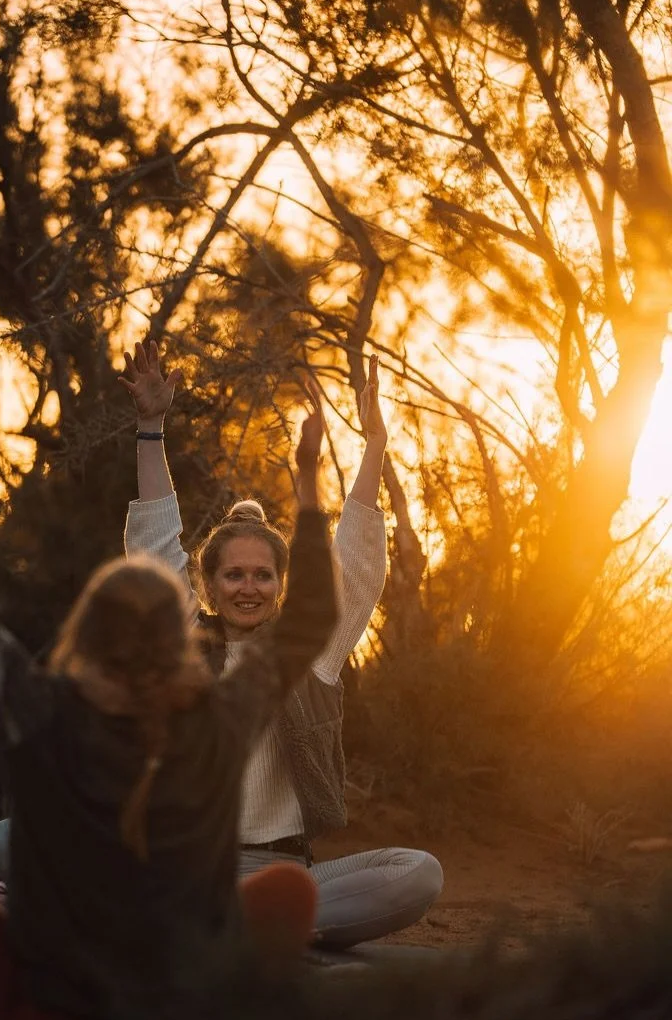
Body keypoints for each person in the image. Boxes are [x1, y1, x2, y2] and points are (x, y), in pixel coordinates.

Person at [0, 367, 340, 1020]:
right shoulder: (218, 716)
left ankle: (27, 1007)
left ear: (85, 631)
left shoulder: (38, 705)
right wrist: (310, 483)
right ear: (183, 637)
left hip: (50, 992)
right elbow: (312, 615)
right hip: (173, 990)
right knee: (289, 896)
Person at [112, 340, 443, 949]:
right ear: (208, 585)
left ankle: (225, 926)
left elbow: (357, 562)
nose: (248, 587)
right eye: (233, 574)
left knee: (417, 871)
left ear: (282, 585)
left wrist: (374, 447)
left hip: (282, 874)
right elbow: (156, 542)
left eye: (263, 575)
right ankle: (242, 931)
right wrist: (151, 428)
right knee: (12, 837)